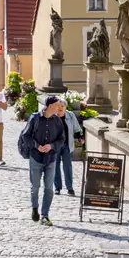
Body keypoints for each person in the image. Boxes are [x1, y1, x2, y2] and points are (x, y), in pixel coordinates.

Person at [25, 95, 64, 226]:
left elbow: (61, 139)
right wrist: (37, 146)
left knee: (49, 188)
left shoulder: (58, 121)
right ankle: (34, 208)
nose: (59, 107)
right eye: (57, 104)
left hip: (51, 159)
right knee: (35, 187)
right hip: (36, 158)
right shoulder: (35, 118)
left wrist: (51, 146)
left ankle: (45, 215)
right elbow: (26, 136)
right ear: (50, 106)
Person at [54, 100, 81, 197]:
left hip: (66, 145)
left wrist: (80, 138)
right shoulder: (52, 116)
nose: (60, 108)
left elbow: (76, 128)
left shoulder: (70, 115)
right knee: (55, 166)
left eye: (62, 106)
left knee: (67, 166)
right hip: (55, 146)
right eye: (58, 106)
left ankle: (70, 188)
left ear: (65, 107)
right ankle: (57, 187)